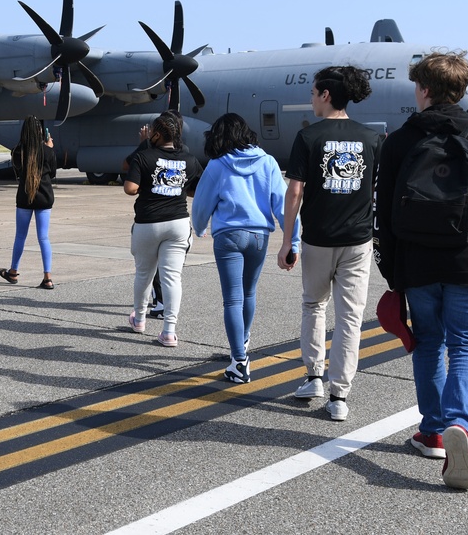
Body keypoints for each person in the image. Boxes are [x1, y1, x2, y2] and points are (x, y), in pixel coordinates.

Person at [374, 51, 468, 490]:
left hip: (418, 262)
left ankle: (433, 430)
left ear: (425, 90)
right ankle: (461, 427)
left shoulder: (398, 140)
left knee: (429, 344)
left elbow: (385, 215)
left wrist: (395, 273)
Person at [276, 65, 380, 422]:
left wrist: (287, 240)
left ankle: (314, 377)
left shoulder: (308, 137)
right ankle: (340, 395)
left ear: (325, 95)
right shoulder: (371, 138)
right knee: (350, 317)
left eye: (312, 93)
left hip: (319, 238)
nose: (310, 99)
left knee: (313, 305)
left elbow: (295, 191)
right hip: (357, 240)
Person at [191, 113, 300, 382]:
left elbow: (201, 203)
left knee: (232, 299)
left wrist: (200, 226)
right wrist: (293, 240)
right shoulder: (269, 162)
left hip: (229, 236)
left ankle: (239, 361)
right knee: (249, 293)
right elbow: (284, 204)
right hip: (259, 237)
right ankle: (243, 342)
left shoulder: (218, 165)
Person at [124, 112, 202, 346]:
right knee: (172, 278)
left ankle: (139, 319)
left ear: (156, 134)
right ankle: (169, 331)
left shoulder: (144, 157)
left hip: (148, 222)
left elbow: (130, 188)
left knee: (144, 275)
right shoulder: (190, 159)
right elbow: (195, 190)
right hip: (178, 223)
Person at [0, 116, 57, 289]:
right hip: (45, 196)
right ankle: (47, 277)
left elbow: (17, 172)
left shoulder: (17, 151)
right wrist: (50, 149)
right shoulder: (48, 151)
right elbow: (52, 173)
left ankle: (13, 272)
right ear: (40, 132)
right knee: (43, 237)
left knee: (20, 236)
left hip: (25, 197)